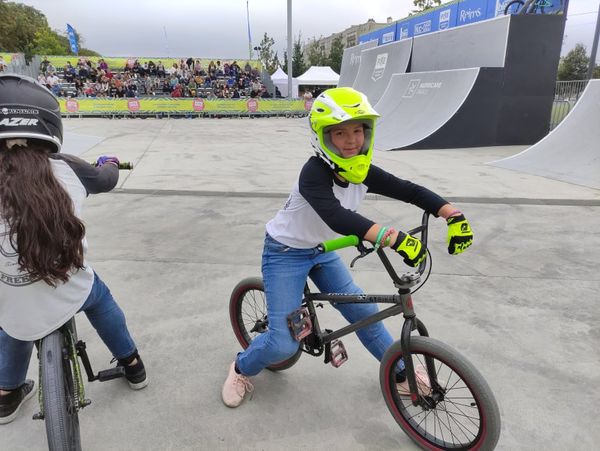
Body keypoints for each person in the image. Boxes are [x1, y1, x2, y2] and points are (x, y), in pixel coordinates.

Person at [221, 87, 474, 407]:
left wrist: (451, 214)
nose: (352, 140)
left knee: (363, 313)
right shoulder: (313, 172)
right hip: (284, 252)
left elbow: (408, 190)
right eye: (339, 132)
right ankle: (241, 366)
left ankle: (401, 373)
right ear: (322, 137)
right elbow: (336, 216)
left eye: (358, 130)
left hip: (321, 248)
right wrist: (391, 237)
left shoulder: (361, 169)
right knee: (283, 345)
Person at [0, 74, 148, 425]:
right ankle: (132, 364)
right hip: (69, 284)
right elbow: (108, 178)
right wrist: (109, 162)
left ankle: (6, 394)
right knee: (100, 301)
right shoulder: (68, 168)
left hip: (11, 295)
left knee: (10, 321)